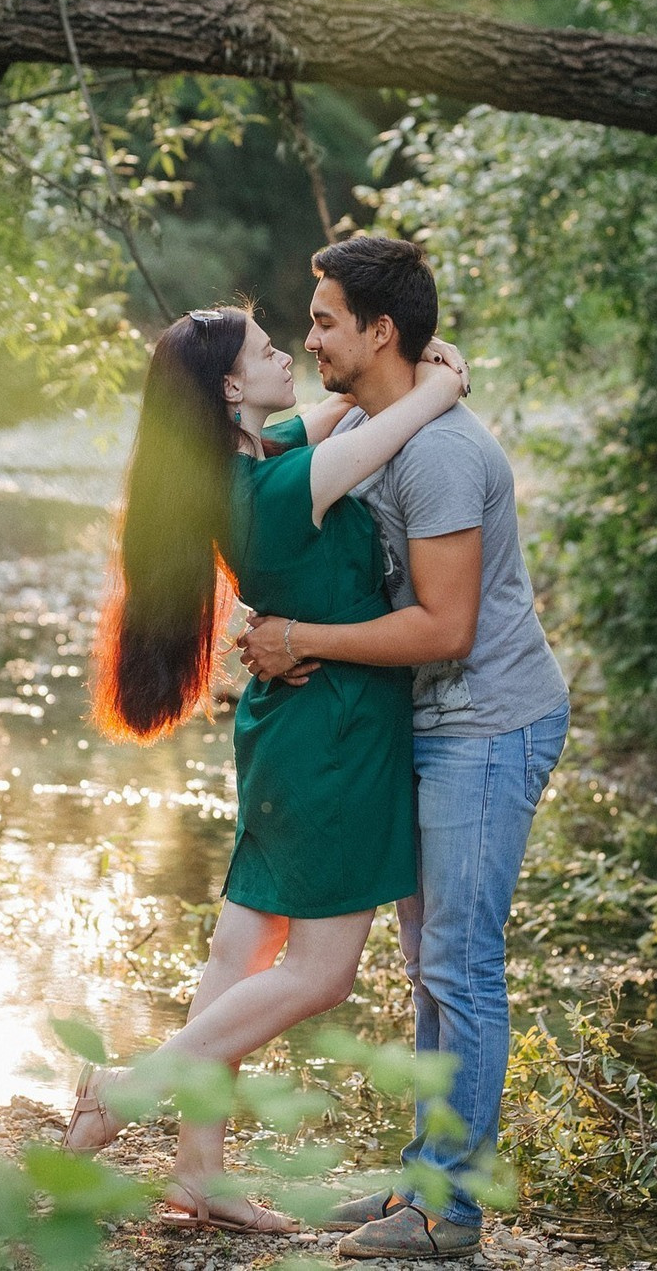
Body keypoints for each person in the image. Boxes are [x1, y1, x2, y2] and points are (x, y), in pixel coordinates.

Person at [66, 302, 469, 1233]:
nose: (287, 352)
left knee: (240, 950)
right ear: (229, 389)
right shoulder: (285, 489)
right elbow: (401, 416)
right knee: (320, 973)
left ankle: (197, 1173)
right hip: (334, 737)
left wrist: (384, 378)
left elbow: (341, 412)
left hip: (289, 729)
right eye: (264, 350)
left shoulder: (244, 464)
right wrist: (442, 377)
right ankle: (128, 1089)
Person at [237, 236, 570, 1261]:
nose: (309, 338)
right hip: (425, 724)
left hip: (488, 721)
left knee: (460, 966)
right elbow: (260, 457)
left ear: (380, 331)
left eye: (324, 320)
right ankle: (421, 1182)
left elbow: (446, 628)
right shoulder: (376, 425)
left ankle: (449, 1212)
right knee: (429, 966)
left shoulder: (438, 454)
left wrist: (301, 638)